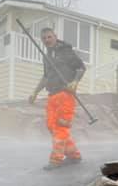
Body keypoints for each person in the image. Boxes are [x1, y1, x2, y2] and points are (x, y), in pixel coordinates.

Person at [28, 27, 86, 170]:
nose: (47, 40)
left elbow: (81, 68)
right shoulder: (46, 55)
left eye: (49, 37)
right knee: (51, 126)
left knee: (61, 126)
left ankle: (56, 160)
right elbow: (46, 76)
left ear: (55, 36)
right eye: (44, 38)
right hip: (52, 95)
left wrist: (75, 82)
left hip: (65, 94)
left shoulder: (66, 51)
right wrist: (35, 92)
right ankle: (74, 155)